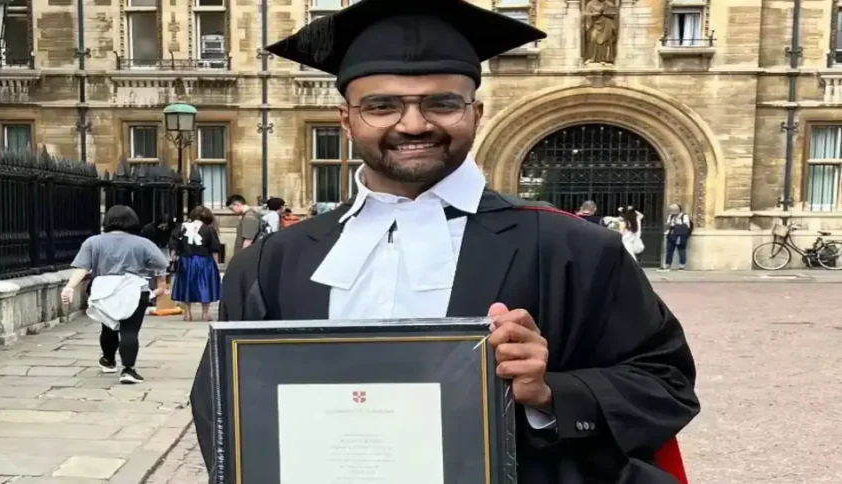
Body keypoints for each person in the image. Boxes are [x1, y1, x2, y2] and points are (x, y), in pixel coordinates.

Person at [190, 1, 699, 483]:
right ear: (347, 120)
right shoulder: (271, 263)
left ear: (477, 113)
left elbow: (666, 383)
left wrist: (550, 393)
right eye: (381, 106)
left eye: (442, 103)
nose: (413, 125)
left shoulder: (576, 250)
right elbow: (224, 407)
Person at [61, 205, 169, 384]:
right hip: (134, 287)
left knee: (108, 327)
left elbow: (82, 267)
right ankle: (128, 369)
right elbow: (161, 263)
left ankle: (108, 360)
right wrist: (142, 265)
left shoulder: (93, 242)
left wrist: (69, 287)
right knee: (130, 330)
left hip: (103, 288)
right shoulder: (142, 243)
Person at [170, 206, 222, 321]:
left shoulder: (182, 227)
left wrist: (173, 256)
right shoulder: (209, 229)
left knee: (186, 286)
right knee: (205, 285)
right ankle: (205, 314)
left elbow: (174, 243)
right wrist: (216, 264)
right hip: (204, 260)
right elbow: (214, 248)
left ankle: (188, 314)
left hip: (186, 260)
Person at [663, 203, 691, 271]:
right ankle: (668, 265)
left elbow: (687, 226)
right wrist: (668, 225)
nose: (672, 212)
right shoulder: (671, 216)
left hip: (680, 235)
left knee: (681, 250)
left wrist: (676, 225)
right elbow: (668, 224)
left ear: (678, 210)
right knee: (669, 250)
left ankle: (682, 266)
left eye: (673, 210)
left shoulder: (684, 216)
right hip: (671, 234)